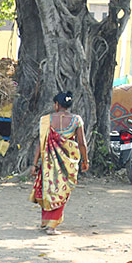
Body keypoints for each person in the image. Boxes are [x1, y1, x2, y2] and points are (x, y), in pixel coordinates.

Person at [30, 90, 88, 234]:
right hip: (67, 163)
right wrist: (85, 161)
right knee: (62, 189)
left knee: (48, 188)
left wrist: (34, 163)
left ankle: (46, 222)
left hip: (48, 162)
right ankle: (51, 226)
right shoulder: (77, 120)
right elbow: (82, 143)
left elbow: (40, 143)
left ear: (56, 104)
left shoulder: (46, 120)